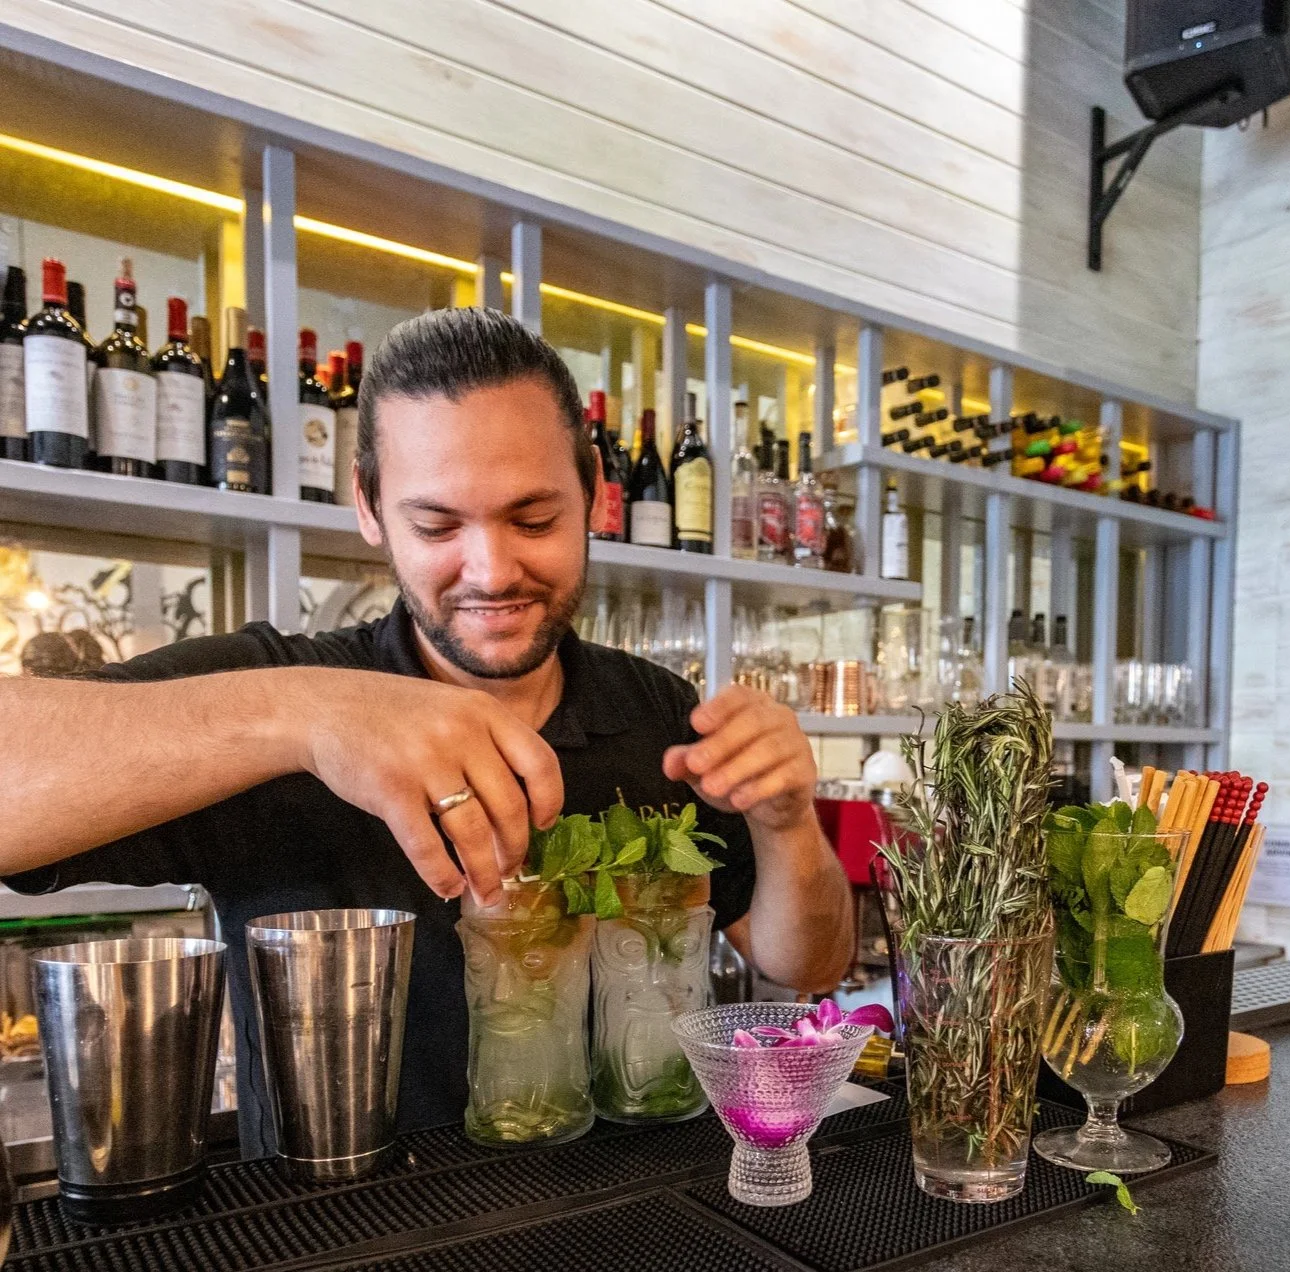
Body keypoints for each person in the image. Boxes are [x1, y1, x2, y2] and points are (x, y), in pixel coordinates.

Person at [0, 307, 855, 1155]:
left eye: (533, 519)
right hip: (345, 1232)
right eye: (437, 525)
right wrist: (306, 716)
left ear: (595, 493)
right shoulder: (273, 692)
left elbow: (806, 968)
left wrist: (788, 824)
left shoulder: (659, 713)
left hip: (642, 1218)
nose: (491, 571)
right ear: (369, 507)